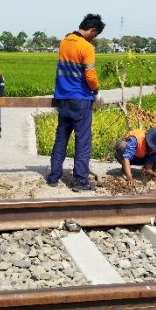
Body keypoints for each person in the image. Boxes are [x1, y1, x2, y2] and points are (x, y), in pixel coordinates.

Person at [46, 13, 105, 192]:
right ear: (92, 30)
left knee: (61, 138)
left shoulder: (64, 41)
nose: (94, 38)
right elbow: (90, 75)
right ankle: (80, 181)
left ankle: (54, 177)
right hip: (80, 100)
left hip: (62, 98)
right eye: (95, 35)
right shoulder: (86, 47)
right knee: (83, 141)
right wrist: (96, 90)